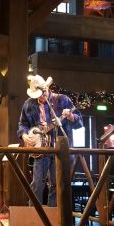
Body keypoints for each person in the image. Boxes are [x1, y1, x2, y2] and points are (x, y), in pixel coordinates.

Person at [18, 75, 83, 207]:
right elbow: (22, 124)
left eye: (42, 94)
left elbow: (79, 122)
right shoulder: (29, 104)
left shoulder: (62, 100)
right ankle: (34, 218)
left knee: (56, 184)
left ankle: (54, 218)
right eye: (37, 96)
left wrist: (70, 116)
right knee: (37, 184)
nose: (40, 98)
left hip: (58, 149)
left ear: (47, 88)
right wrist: (24, 136)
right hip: (40, 149)